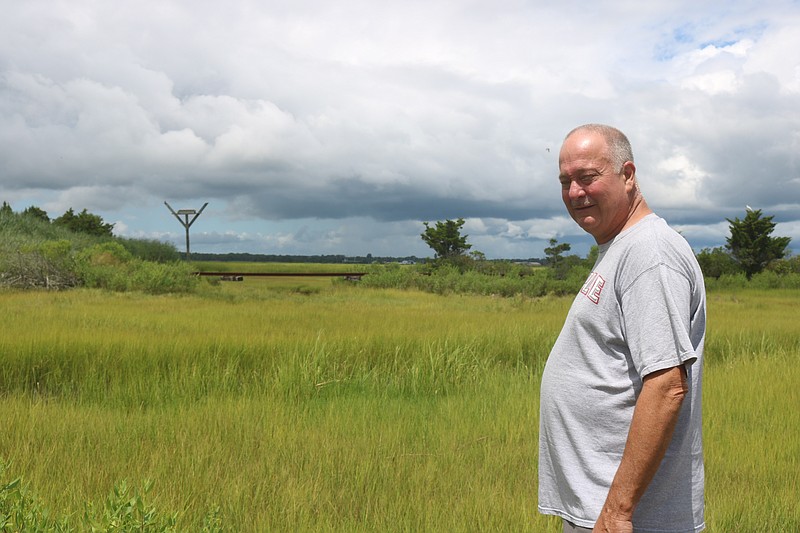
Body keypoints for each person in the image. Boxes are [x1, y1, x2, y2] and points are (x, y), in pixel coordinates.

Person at [538, 124, 706, 533]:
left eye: (587, 177)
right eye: (565, 181)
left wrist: (617, 512)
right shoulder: (622, 247)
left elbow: (667, 384)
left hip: (632, 519)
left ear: (628, 175)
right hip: (602, 508)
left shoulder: (649, 253)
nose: (575, 192)